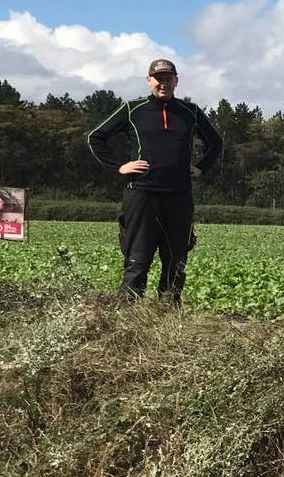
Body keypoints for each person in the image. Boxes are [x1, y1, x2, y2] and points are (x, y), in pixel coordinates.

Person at [86, 58, 222, 303]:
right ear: (149, 81)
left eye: (168, 79)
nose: (163, 84)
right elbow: (96, 137)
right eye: (158, 79)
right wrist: (119, 166)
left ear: (176, 81)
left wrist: (201, 167)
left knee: (176, 260)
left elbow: (216, 142)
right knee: (138, 258)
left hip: (179, 195)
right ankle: (128, 315)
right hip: (141, 193)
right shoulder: (132, 108)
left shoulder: (190, 111)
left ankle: (168, 316)